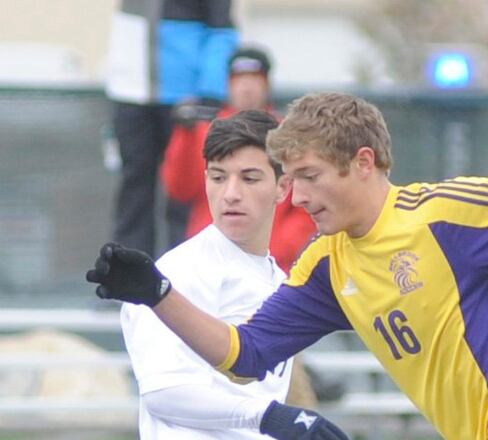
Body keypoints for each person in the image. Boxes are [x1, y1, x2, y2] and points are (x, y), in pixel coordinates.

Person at [87, 92, 488, 439]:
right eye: (291, 179)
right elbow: (246, 356)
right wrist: (158, 292)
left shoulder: (445, 215)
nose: (297, 197)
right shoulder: (326, 264)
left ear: (363, 163)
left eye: (309, 176)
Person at [119, 110, 348, 440]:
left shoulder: (278, 279)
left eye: (250, 178)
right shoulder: (178, 272)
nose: (230, 193)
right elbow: (164, 393)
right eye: (218, 177)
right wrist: (268, 416)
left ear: (283, 188)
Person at [161, 46, 316, 272]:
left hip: (272, 261)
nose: (246, 87)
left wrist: (276, 246)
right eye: (239, 79)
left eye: (254, 79)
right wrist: (184, 135)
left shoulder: (289, 135)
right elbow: (179, 189)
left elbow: (307, 203)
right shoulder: (204, 131)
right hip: (210, 260)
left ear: (267, 84)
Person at [105, 0, 238, 256]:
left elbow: (222, 30)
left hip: (185, 99)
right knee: (133, 188)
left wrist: (210, 93)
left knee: (184, 192)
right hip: (130, 91)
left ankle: (185, 277)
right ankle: (126, 277)